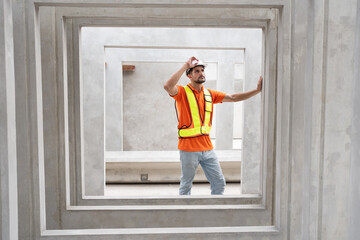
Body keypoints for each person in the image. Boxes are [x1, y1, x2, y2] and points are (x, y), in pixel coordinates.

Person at [163, 56, 263, 195]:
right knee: (186, 185)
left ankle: (216, 211)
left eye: (202, 70)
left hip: (208, 149)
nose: (201, 73)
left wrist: (256, 91)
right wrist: (185, 66)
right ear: (189, 75)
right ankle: (186, 213)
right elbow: (167, 86)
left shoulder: (209, 94)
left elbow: (233, 97)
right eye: (196, 71)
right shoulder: (182, 93)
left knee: (219, 182)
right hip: (188, 149)